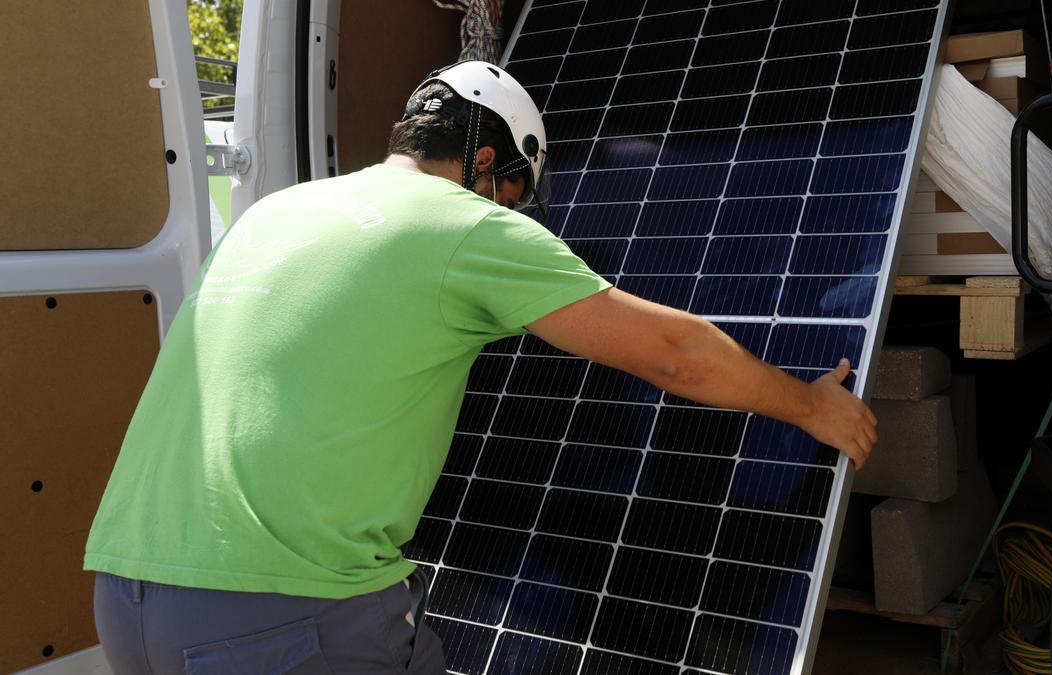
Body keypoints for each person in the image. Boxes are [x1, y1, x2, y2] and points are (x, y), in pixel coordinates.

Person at [85, 61, 878, 674]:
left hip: (127, 595)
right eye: (513, 195)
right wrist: (812, 407)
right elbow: (676, 354)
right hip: (286, 613)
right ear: (485, 161)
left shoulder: (275, 210)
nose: (511, 213)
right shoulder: (464, 224)